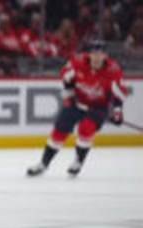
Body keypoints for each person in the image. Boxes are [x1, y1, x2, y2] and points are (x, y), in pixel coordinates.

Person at [27, 40, 127, 177]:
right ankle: (43, 164)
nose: (97, 57)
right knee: (58, 132)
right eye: (94, 53)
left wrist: (117, 112)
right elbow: (66, 78)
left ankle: (78, 162)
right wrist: (69, 95)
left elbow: (119, 94)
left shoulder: (113, 70)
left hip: (97, 108)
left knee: (85, 130)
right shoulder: (77, 62)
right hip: (77, 103)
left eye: (100, 54)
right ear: (89, 54)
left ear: (105, 56)